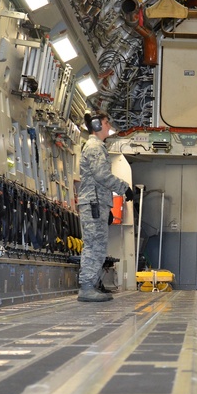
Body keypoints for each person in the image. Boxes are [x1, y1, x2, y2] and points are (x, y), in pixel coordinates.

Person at [77, 111, 132, 302]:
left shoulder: (97, 146)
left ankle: (92, 285)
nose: (109, 126)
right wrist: (124, 188)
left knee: (97, 245)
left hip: (96, 203)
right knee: (94, 246)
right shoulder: (94, 147)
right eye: (106, 123)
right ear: (97, 125)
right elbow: (102, 175)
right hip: (93, 203)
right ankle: (86, 288)